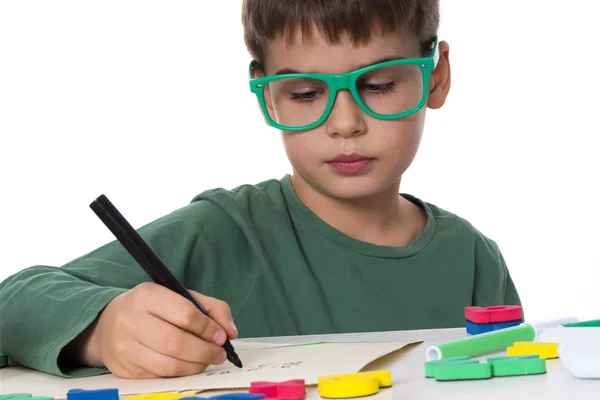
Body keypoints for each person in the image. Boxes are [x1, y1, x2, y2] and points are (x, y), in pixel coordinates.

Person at [0, 0, 521, 380]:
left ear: (435, 76)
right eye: (305, 92)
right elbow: (12, 302)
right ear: (267, 97)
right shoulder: (222, 230)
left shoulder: (474, 259)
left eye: (378, 84)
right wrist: (102, 330)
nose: (345, 122)